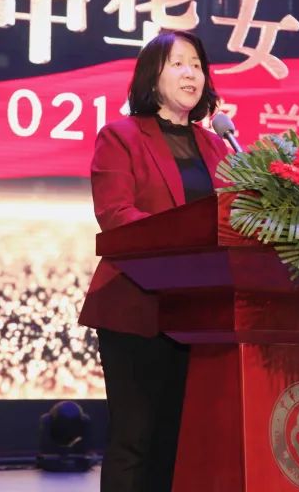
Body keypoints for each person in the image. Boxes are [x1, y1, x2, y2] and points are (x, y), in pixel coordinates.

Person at [79, 29, 229, 492]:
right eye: (178, 63)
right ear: (152, 75)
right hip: (136, 304)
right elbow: (116, 215)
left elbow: (232, 220)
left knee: (178, 440)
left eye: (197, 65)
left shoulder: (217, 146)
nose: (191, 74)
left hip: (199, 313)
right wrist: (186, 237)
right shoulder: (120, 136)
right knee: (135, 439)